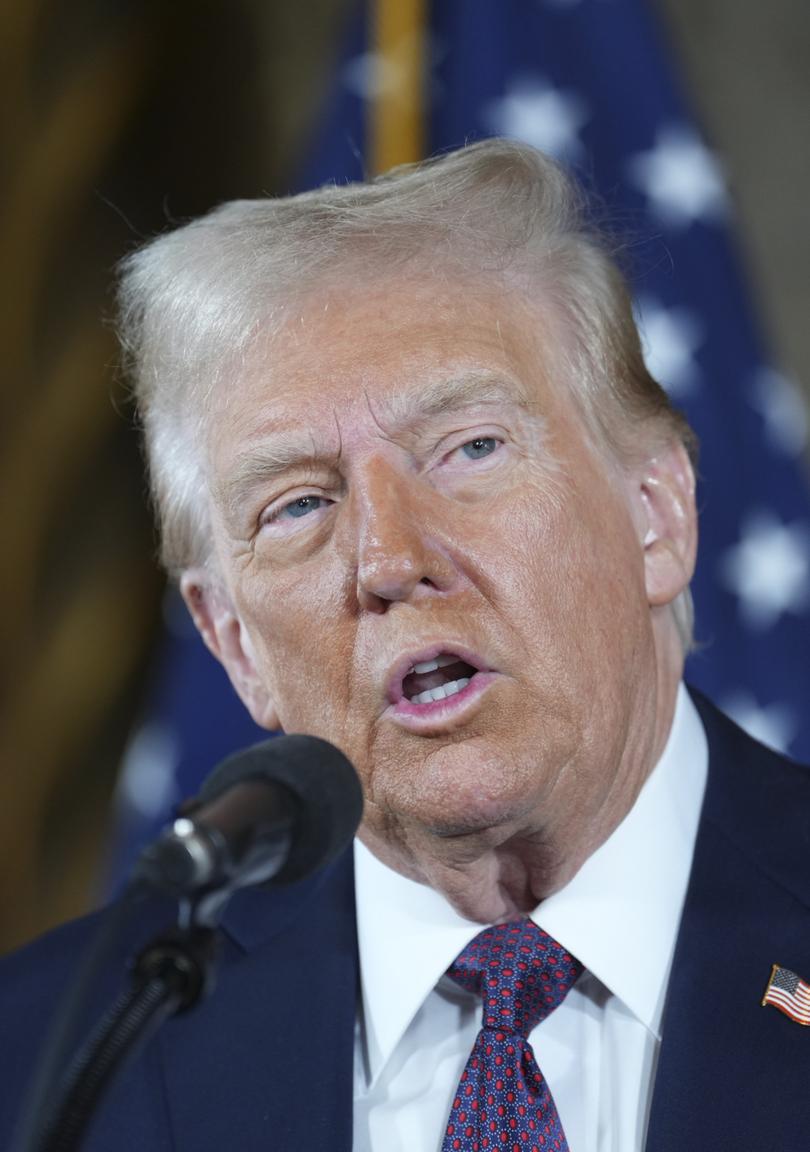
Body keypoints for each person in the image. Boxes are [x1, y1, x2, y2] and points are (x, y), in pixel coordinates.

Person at [2, 139, 809, 1151]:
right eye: (298, 505)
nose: (388, 558)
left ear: (657, 515)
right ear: (233, 642)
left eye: (470, 448)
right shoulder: (43, 1068)